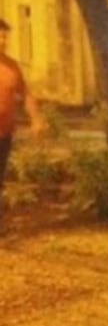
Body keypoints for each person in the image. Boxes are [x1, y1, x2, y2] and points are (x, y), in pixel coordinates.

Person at [0, 18, 43, 213]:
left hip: (4, 134)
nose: (2, 41)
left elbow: (25, 94)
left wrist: (36, 119)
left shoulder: (12, 67)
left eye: (4, 37)